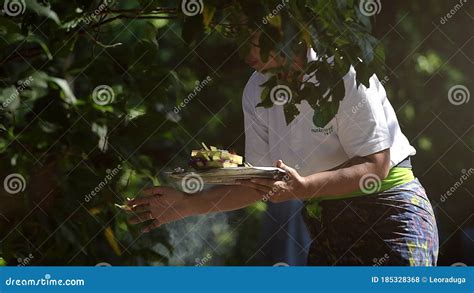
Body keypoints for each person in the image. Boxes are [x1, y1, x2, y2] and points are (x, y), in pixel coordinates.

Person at [127, 32, 439, 266]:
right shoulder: (255, 90)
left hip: (390, 217)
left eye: (249, 39)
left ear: (285, 31)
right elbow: (262, 184)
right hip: (326, 229)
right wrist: (185, 204)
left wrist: (303, 187)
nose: (242, 51)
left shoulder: (343, 72)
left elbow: (376, 167)